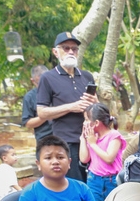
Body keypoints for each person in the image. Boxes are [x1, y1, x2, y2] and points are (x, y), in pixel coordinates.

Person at [36, 32, 98, 182]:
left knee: (95, 184)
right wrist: (71, 107)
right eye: (66, 48)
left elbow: (96, 108)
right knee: (76, 184)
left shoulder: (86, 76)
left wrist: (96, 102)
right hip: (68, 142)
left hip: (93, 139)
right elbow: (42, 112)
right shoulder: (48, 78)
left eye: (74, 49)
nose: (71, 51)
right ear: (55, 51)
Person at [79, 103, 126, 201]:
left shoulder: (114, 135)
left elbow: (109, 158)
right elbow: (84, 159)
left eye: (86, 120)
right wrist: (83, 138)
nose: (84, 123)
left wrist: (93, 144)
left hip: (112, 180)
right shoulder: (92, 136)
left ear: (96, 123)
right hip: (94, 179)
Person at [20, 65, 53, 142]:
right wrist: (47, 115)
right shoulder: (30, 97)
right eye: (40, 82)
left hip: (65, 137)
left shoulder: (58, 91)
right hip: (44, 139)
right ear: (32, 81)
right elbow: (28, 123)